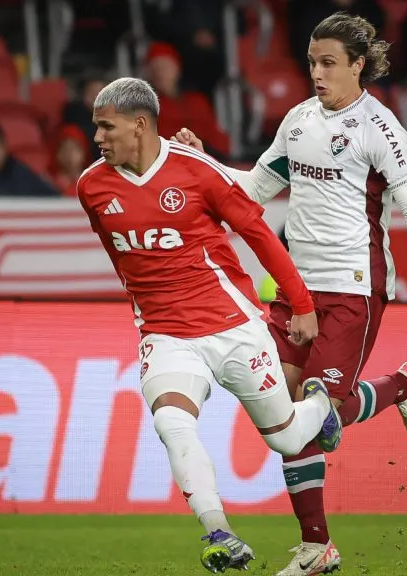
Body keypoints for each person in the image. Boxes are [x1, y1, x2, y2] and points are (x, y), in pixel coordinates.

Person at [172, 13, 407, 576]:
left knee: (315, 412)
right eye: (312, 63)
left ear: (358, 66)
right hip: (298, 289)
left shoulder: (382, 129)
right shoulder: (297, 121)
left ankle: (398, 388)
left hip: (354, 288)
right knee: (283, 412)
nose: (317, 74)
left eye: (328, 64)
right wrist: (201, 160)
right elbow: (253, 188)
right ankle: (317, 545)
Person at [77, 77, 344, 573]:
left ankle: (321, 405)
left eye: (105, 127)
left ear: (139, 125)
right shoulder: (91, 187)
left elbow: (259, 234)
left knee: (286, 439)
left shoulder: (196, 172)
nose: (97, 138)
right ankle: (219, 532)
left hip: (232, 325)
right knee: (171, 422)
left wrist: (302, 304)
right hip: (165, 334)